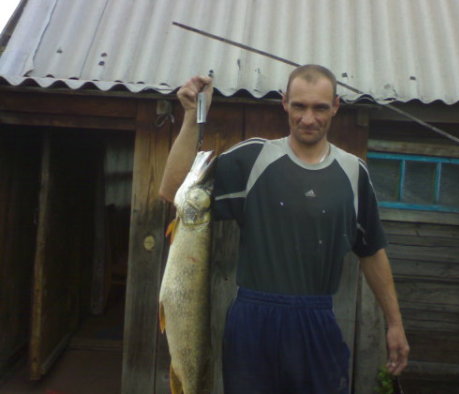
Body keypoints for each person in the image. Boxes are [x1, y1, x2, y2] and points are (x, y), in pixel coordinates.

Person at [159, 65, 409, 393]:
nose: (308, 118)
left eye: (320, 108)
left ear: (336, 106)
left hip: (316, 321)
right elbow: (174, 191)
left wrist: (395, 323)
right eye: (299, 106)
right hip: (253, 321)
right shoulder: (253, 158)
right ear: (284, 102)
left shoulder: (353, 172)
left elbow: (372, 251)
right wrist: (192, 116)